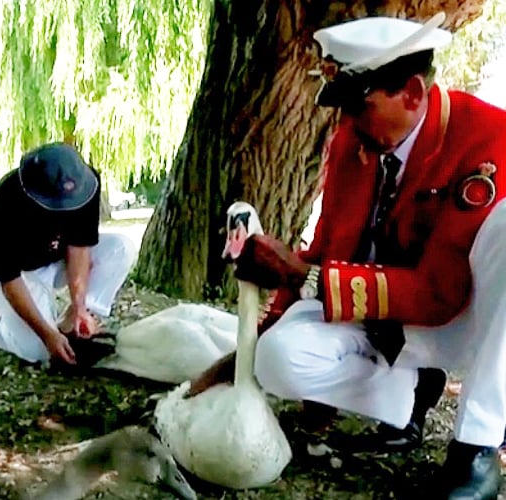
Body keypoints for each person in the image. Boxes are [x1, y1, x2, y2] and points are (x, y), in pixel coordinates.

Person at [189, 12, 506, 499]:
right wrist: (244, 352)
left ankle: (477, 450)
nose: (342, 123)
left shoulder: (487, 138)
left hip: (468, 320)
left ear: (414, 95)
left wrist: (305, 275)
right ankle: (406, 397)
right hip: (384, 322)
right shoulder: (354, 144)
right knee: (277, 360)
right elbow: (325, 250)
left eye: (357, 106)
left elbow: (440, 294)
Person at [0, 142, 136, 366]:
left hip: (55, 258)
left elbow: (79, 247)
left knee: (121, 248)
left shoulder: (85, 184)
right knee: (39, 351)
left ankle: (72, 325)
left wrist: (79, 307)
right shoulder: (6, 198)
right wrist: (47, 335)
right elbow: (9, 278)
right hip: (18, 275)